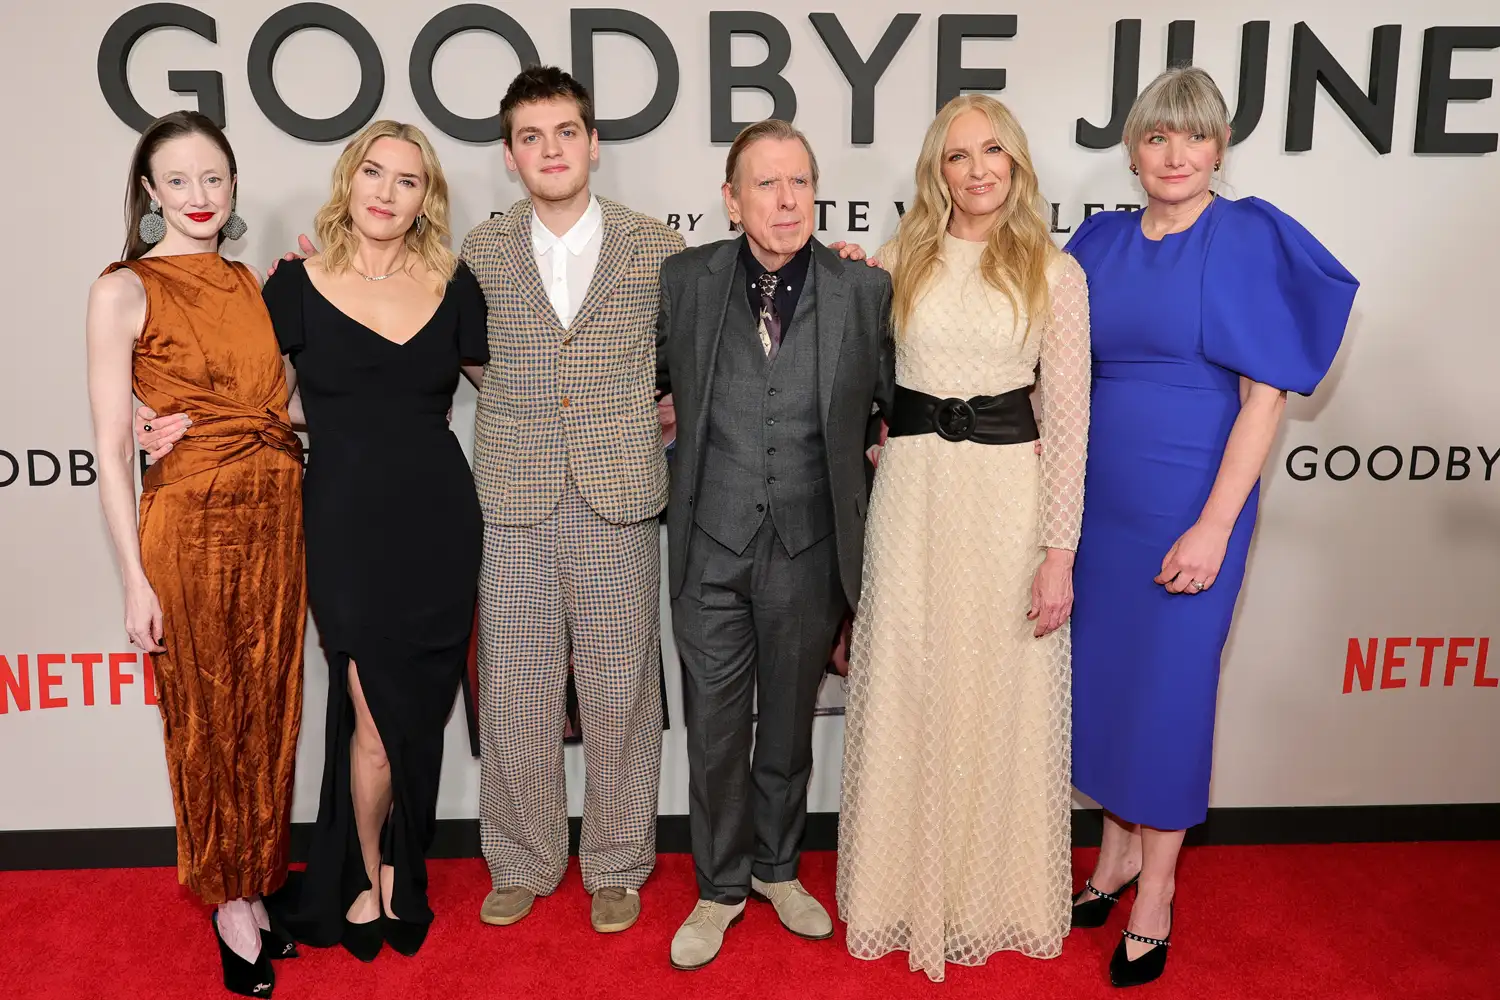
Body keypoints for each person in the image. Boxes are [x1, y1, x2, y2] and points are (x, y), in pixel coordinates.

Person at [1062, 66, 1357, 988]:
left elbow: (1263, 400)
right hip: (1096, 509)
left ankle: (1156, 893)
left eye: (1194, 138)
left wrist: (1213, 529)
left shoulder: (1244, 236)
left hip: (1193, 503)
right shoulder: (1097, 242)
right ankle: (1112, 858)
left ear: (1220, 148)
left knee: (1171, 697)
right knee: (1104, 689)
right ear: (1133, 150)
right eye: (1157, 137)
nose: (1175, 155)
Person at [834, 93, 1091, 982]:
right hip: (912, 497)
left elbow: (1068, 421)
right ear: (935, 170)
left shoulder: (1055, 273)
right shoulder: (899, 258)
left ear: (1016, 162)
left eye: (991, 152)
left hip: (1006, 501)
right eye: (956, 156)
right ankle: (899, 895)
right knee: (909, 681)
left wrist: (1059, 551)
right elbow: (864, 376)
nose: (976, 169)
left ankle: (994, 898)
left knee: (1000, 690)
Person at [655, 118, 896, 971]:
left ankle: (779, 871)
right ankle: (719, 887)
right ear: (731, 199)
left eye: (800, 182)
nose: (787, 200)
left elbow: (898, 408)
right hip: (708, 546)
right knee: (716, 730)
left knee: (789, 727)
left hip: (808, 547)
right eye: (766, 184)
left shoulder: (863, 291)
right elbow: (642, 383)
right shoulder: (682, 280)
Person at [85, 109, 305, 997]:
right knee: (207, 714)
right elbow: (108, 448)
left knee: (270, 704)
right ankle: (227, 902)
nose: (198, 196)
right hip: (189, 523)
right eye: (177, 181)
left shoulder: (252, 280)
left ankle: (256, 877)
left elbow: (276, 399)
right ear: (148, 191)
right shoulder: (122, 288)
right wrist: (134, 578)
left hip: (276, 518)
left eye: (213, 178)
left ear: (234, 184)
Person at [465, 66, 684, 936]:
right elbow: (469, 358)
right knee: (515, 689)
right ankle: (521, 858)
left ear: (593, 144)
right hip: (514, 497)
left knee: (620, 689)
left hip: (619, 495)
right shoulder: (481, 252)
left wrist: (652, 412)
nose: (550, 149)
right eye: (531, 137)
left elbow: (688, 357)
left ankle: (619, 863)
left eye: (565, 132)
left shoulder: (656, 245)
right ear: (511, 155)